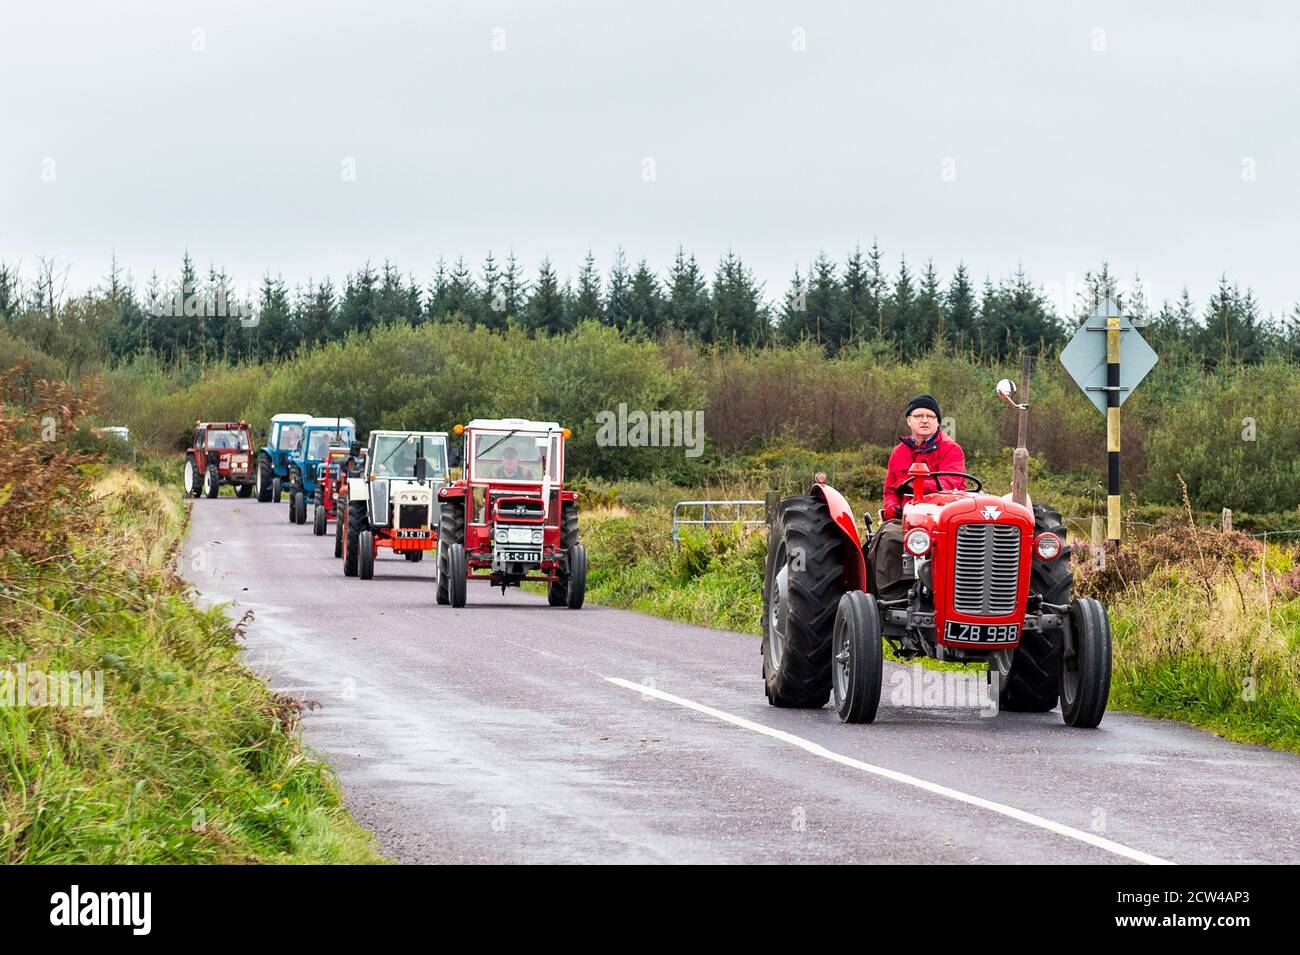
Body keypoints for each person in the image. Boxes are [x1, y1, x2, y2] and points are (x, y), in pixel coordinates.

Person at [867, 394, 967, 599]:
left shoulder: (951, 450)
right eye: (919, 415)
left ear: (938, 422)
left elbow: (951, 483)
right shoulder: (899, 452)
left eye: (930, 416)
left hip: (939, 518)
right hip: (905, 517)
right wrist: (892, 508)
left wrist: (919, 486)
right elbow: (890, 491)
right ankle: (892, 599)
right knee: (890, 538)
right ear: (909, 420)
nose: (924, 420)